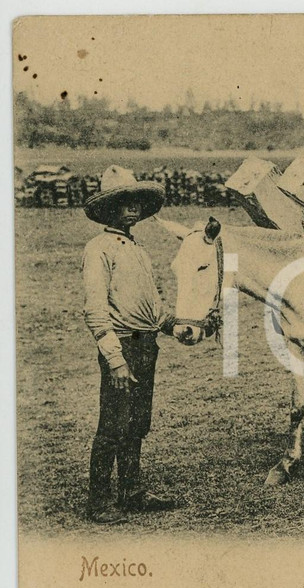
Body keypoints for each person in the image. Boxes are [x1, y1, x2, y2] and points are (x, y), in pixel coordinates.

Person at [82, 165, 177, 524]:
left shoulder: (138, 249)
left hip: (146, 345)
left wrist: (173, 325)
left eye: (136, 201)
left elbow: (152, 306)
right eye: (124, 202)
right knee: (112, 426)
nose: (133, 207)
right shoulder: (98, 249)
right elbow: (95, 310)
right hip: (122, 346)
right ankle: (98, 502)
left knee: (137, 424)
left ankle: (132, 492)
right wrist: (116, 360)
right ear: (109, 208)